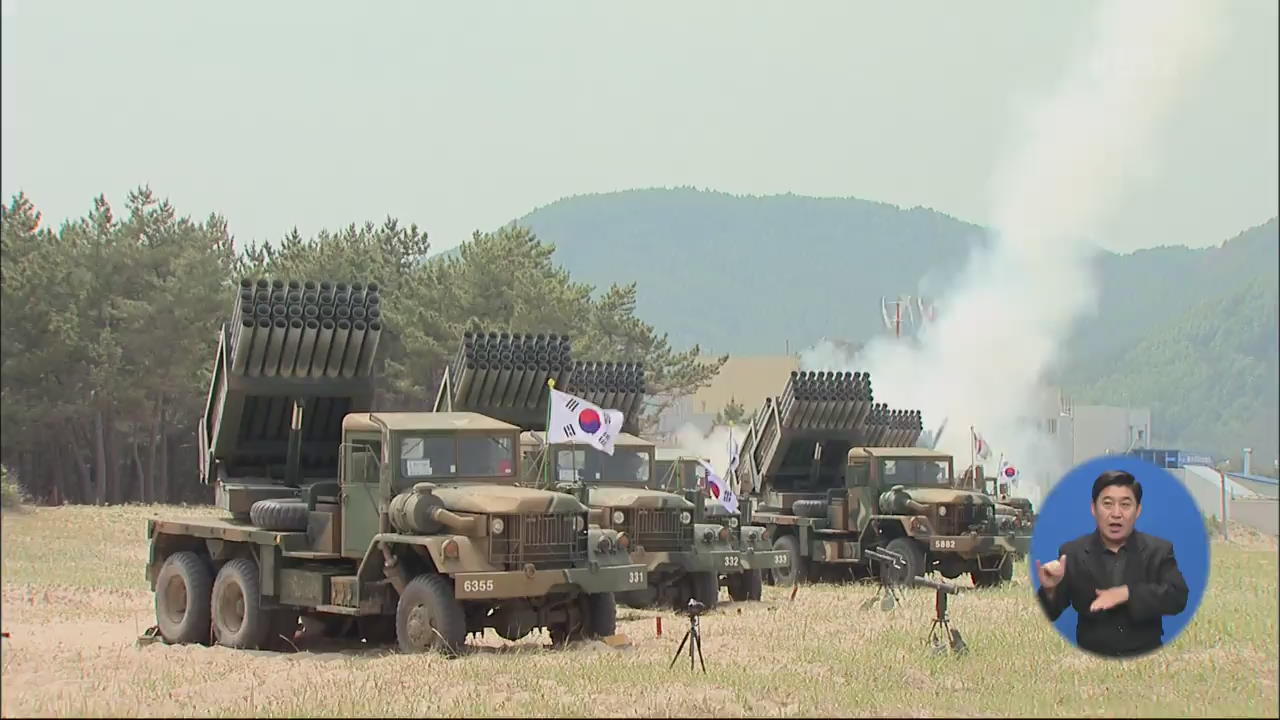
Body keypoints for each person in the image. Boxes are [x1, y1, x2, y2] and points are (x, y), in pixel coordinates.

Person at [1035, 469, 1189, 658]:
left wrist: (1127, 593)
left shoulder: (1158, 550)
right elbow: (1048, 613)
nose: (1116, 514)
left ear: (1138, 510)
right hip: (1091, 659)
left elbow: (1177, 597)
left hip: (1146, 658)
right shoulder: (1072, 553)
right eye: (1107, 504)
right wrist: (1051, 589)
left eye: (1125, 505)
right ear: (1094, 508)